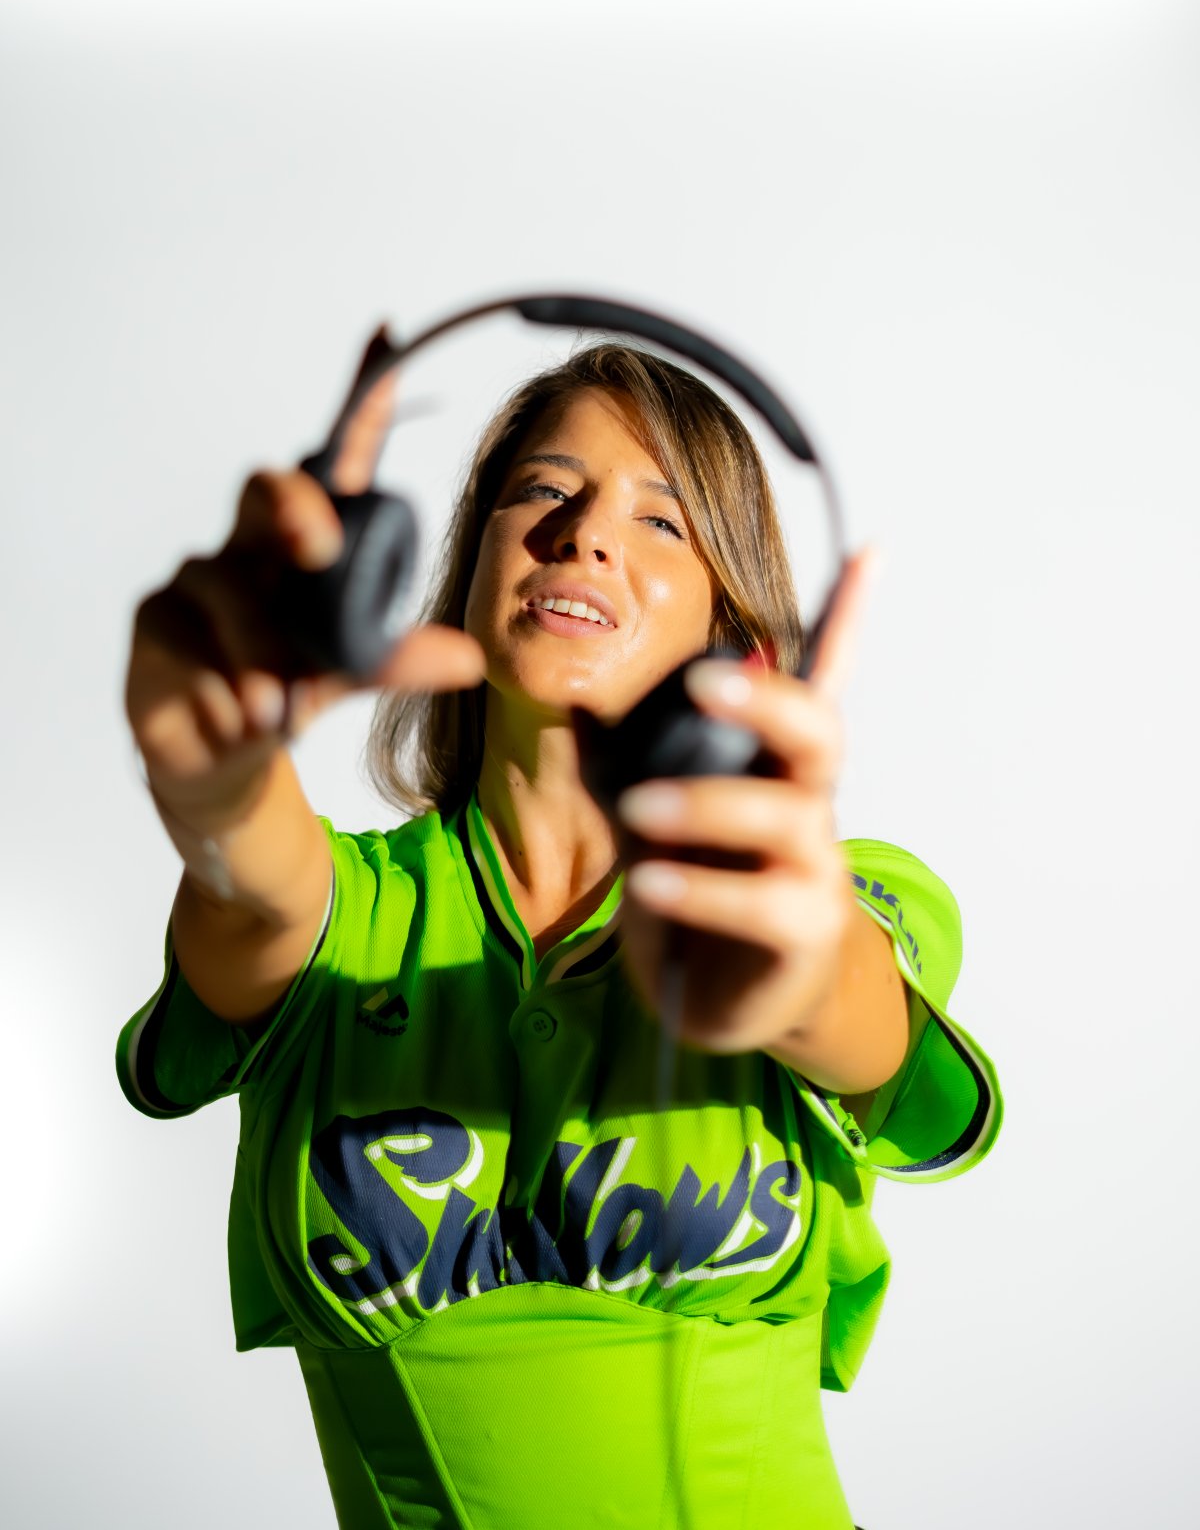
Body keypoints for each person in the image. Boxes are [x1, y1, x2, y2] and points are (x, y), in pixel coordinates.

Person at [118, 336, 1002, 1528]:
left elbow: (837, 993)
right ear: (466, 567)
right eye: (543, 489)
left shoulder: (834, 891)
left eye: (661, 519)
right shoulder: (346, 910)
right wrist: (213, 773)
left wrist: (781, 967)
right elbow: (253, 884)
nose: (584, 533)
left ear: (731, 637)